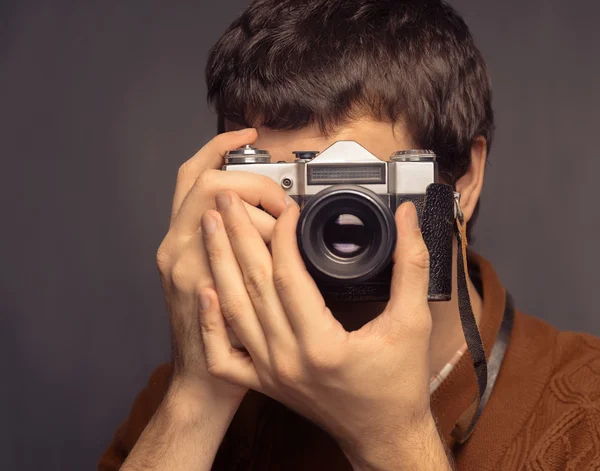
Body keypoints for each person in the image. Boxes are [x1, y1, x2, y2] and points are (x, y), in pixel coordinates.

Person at [98, 0, 600, 469]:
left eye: (364, 192)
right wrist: (196, 399)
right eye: (287, 192)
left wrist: (393, 440)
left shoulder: (586, 411)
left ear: (463, 180)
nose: (333, 228)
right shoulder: (194, 389)